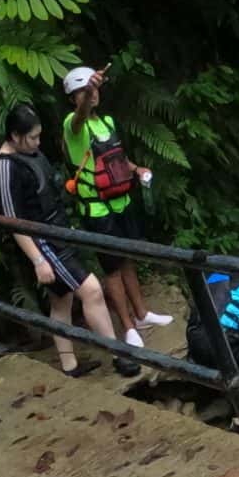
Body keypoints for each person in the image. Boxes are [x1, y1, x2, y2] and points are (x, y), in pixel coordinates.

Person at [0, 106, 135, 378]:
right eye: (32, 137)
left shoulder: (29, 154)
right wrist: (37, 260)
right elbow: (11, 219)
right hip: (43, 243)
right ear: (15, 136)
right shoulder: (5, 167)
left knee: (61, 300)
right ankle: (119, 355)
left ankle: (69, 366)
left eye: (38, 136)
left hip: (57, 233)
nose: (37, 142)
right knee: (91, 290)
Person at [59, 66, 170, 346]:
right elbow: (80, 117)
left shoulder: (106, 122)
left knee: (127, 258)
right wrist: (85, 96)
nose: (91, 95)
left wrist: (137, 169)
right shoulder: (74, 125)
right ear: (74, 98)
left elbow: (117, 158)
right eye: (84, 92)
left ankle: (142, 313)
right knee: (112, 269)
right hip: (98, 210)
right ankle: (128, 326)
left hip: (121, 203)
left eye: (94, 89)